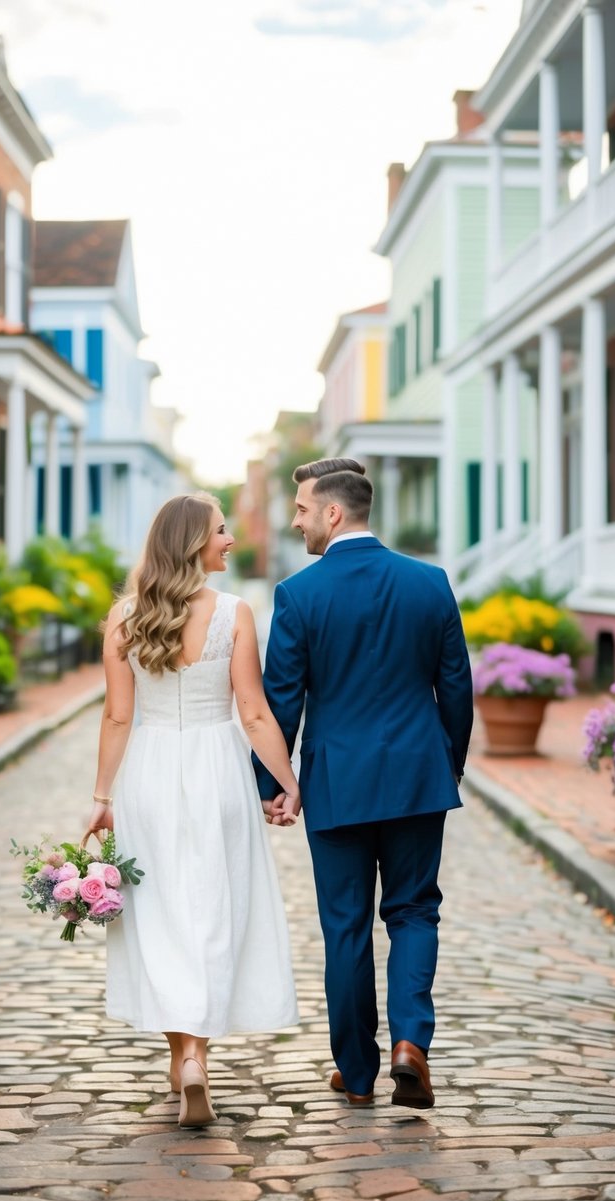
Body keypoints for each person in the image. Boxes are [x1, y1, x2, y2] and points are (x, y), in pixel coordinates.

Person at [254, 457, 473, 1110]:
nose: (294, 522)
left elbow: (280, 699)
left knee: (345, 926)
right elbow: (455, 686)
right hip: (415, 776)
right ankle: (411, 1043)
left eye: (299, 510)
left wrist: (275, 782)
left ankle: (356, 1073)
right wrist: (447, 762)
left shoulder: (299, 595)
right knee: (412, 911)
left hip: (337, 782)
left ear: (331, 511)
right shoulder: (428, 582)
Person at [86, 493, 299, 1129]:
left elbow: (118, 715)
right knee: (211, 907)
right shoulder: (234, 613)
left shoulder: (125, 618)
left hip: (148, 771)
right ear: (191, 544)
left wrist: (102, 797)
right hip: (217, 769)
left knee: (162, 915)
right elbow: (255, 713)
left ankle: (181, 1058)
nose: (230, 540)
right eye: (220, 531)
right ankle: (198, 1058)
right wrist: (289, 782)